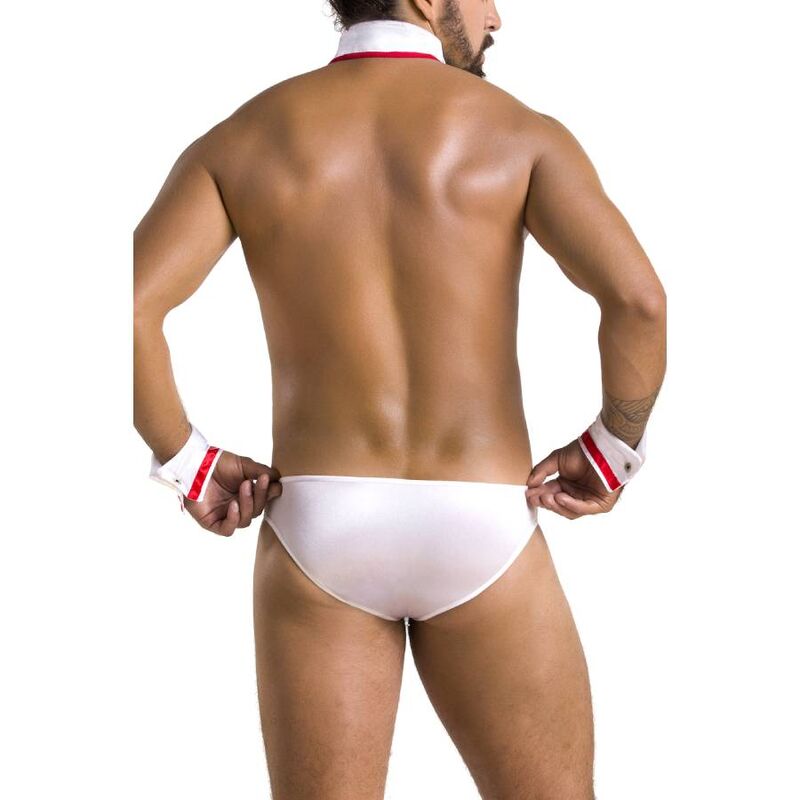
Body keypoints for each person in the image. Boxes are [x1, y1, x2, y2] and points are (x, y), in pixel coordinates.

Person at [133, 1, 667, 797]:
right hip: (481, 521)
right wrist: (611, 449)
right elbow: (639, 302)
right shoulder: (521, 135)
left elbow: (123, 308)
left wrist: (189, 461)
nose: (496, 17)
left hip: (319, 529)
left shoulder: (243, 139)